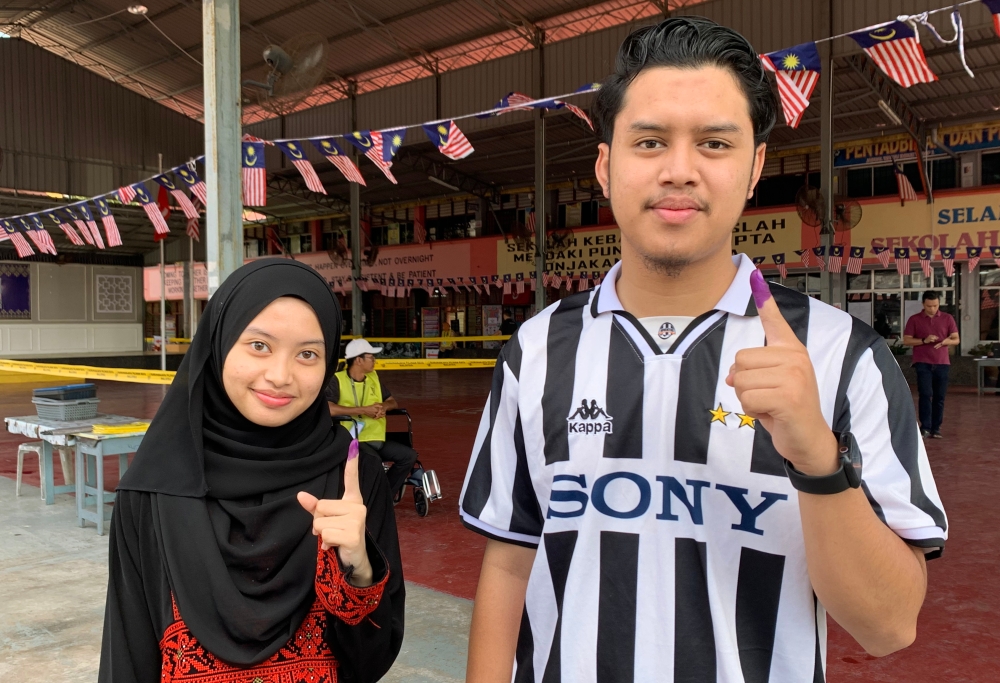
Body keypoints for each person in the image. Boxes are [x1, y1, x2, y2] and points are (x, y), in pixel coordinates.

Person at [459, 18, 947, 683]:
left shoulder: (842, 354)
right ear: (605, 166)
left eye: (714, 143)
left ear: (754, 169)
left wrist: (817, 458)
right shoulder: (537, 349)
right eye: (650, 141)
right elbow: (511, 563)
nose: (679, 170)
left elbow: (888, 626)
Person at [100, 259, 403, 683]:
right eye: (259, 345)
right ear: (220, 343)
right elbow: (128, 656)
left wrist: (360, 569)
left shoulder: (355, 478)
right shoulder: (154, 488)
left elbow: (371, 662)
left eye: (308, 354)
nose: (280, 376)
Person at [328, 338, 418, 499]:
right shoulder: (337, 380)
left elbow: (393, 402)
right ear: (358, 360)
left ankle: (384, 497)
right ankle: (377, 499)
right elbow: (329, 408)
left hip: (375, 438)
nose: (375, 360)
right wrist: (363, 410)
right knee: (373, 461)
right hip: (350, 440)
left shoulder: (373, 378)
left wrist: (383, 406)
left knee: (408, 456)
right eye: (371, 357)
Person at [903, 290, 960, 438]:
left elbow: (956, 339)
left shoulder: (947, 318)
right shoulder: (914, 319)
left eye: (935, 305)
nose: (932, 309)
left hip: (942, 362)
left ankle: (936, 428)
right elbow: (907, 340)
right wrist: (924, 340)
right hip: (922, 362)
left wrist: (947, 341)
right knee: (925, 394)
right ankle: (925, 427)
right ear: (923, 304)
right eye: (929, 306)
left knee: (939, 396)